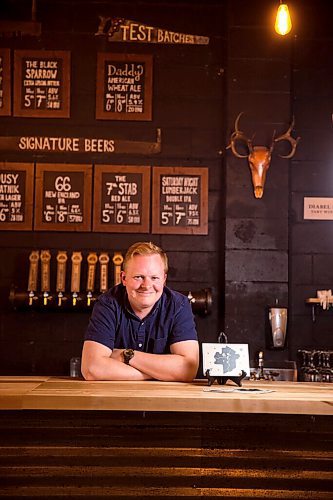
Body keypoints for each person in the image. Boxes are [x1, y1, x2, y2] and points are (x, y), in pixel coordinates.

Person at [81, 241, 199, 382]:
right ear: (124, 278)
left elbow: (187, 370)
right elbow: (92, 369)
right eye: (138, 277)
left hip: (166, 401)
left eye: (154, 278)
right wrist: (160, 374)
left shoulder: (179, 305)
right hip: (114, 399)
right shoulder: (108, 304)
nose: (146, 285)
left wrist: (127, 355)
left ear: (164, 280)